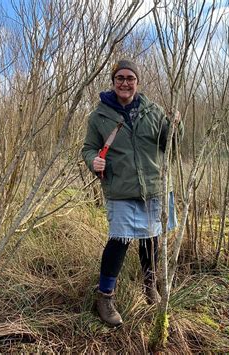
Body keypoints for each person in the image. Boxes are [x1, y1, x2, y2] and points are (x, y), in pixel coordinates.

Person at [81, 59, 183, 327]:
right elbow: (88, 148)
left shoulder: (154, 111)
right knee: (119, 242)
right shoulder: (99, 116)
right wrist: (93, 161)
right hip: (121, 189)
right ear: (113, 82)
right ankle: (105, 297)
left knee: (151, 240)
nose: (125, 83)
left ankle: (149, 286)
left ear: (137, 82)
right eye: (120, 78)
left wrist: (175, 125)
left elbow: (169, 144)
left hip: (154, 187)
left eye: (130, 78)